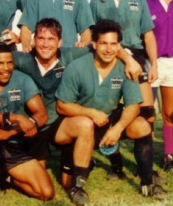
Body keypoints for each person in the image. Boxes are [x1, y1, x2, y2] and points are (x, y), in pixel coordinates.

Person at [0, 18, 142, 205]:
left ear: (60, 42)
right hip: (33, 126)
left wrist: (129, 60)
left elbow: (106, 46)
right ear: (33, 40)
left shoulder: (69, 55)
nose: (46, 44)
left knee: (64, 182)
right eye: (41, 38)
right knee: (39, 177)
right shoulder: (22, 58)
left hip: (58, 123)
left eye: (51, 39)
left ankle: (80, 171)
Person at [55, 19, 166, 198]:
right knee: (66, 182)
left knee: (142, 125)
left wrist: (117, 129)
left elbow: (133, 105)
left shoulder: (125, 67)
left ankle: (147, 182)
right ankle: (78, 186)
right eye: (103, 43)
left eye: (113, 44)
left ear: (119, 46)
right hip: (82, 124)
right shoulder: (77, 67)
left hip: (107, 121)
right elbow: (61, 105)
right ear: (94, 44)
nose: (108, 49)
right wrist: (91, 113)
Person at [0, 42, 55, 205]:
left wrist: (25, 126)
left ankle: (4, 176)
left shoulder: (22, 79)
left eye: (9, 62)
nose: (6, 68)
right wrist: (16, 118)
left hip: (11, 145)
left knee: (46, 193)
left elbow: (41, 114)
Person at [90, 0, 158, 179]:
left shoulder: (139, 2)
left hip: (136, 56)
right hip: (109, 54)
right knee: (110, 112)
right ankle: (116, 166)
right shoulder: (97, 2)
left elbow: (148, 35)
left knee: (147, 114)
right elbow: (91, 33)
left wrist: (154, 65)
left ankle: (145, 167)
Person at [147, 0, 173, 171]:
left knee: (169, 114)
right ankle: (145, 158)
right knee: (148, 114)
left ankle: (169, 155)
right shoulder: (147, 3)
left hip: (172, 63)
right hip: (151, 63)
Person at [18, 0, 95, 52]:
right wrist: (26, 46)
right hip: (42, 53)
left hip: (68, 54)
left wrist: (83, 45)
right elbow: (26, 27)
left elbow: (85, 30)